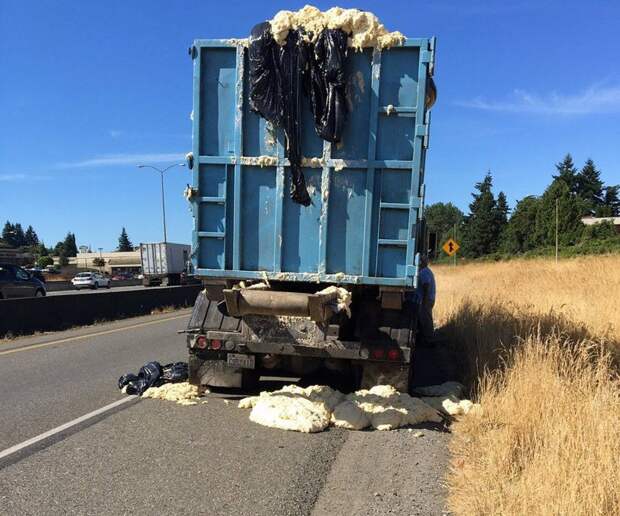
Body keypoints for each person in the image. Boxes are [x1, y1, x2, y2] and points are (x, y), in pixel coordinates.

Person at [417, 254, 436, 346]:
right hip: (429, 298)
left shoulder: (423, 272)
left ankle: (429, 339)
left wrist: (424, 300)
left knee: (426, 319)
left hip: (427, 299)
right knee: (426, 318)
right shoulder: (427, 271)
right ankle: (427, 338)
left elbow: (426, 286)